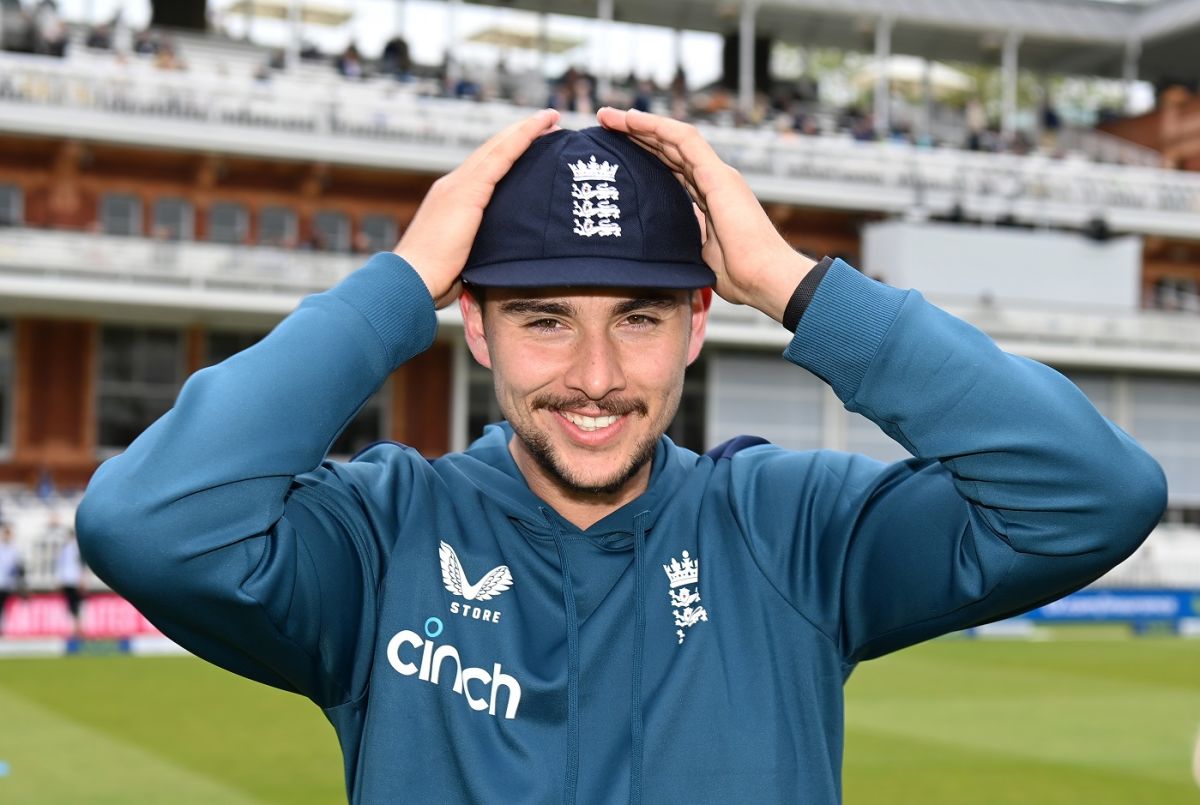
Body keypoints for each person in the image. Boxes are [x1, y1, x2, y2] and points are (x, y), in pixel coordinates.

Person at [76, 108, 1166, 803]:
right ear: (478, 325)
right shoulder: (379, 539)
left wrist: (795, 284)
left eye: (639, 319)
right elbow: (146, 523)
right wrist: (395, 285)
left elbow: (1093, 494)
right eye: (546, 318)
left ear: (698, 323)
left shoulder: (790, 529)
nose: (595, 374)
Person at [0, 523, 25, 635]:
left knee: (3, 606)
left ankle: (2, 628)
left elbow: (19, 568)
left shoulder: (14, 550)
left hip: (6, 583)